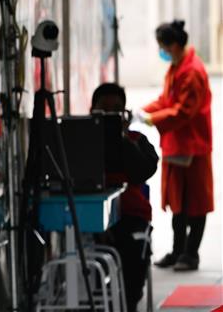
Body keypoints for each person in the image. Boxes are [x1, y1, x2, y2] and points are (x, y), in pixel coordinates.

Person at [138, 20, 213, 272]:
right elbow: (166, 100)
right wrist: (142, 111)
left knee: (196, 203)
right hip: (175, 146)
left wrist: (152, 118)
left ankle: (191, 253)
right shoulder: (177, 67)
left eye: (163, 47)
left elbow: (183, 111)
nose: (162, 51)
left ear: (174, 45)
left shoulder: (192, 71)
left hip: (193, 147)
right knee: (177, 203)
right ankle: (178, 249)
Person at [91, 83, 158, 312]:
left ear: (125, 114)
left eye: (116, 110)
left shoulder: (137, 141)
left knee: (132, 251)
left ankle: (127, 304)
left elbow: (143, 171)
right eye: (104, 110)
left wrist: (122, 139)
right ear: (93, 112)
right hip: (90, 218)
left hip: (130, 217)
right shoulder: (81, 142)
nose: (110, 115)